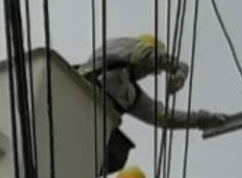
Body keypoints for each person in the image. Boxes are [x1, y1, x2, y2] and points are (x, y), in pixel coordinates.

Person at [77, 34, 227, 130]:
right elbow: (142, 54)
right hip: (75, 94)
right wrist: (177, 67)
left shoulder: (130, 94)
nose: (150, 73)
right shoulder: (121, 45)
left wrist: (198, 119)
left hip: (89, 125)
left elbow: (163, 117)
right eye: (152, 69)